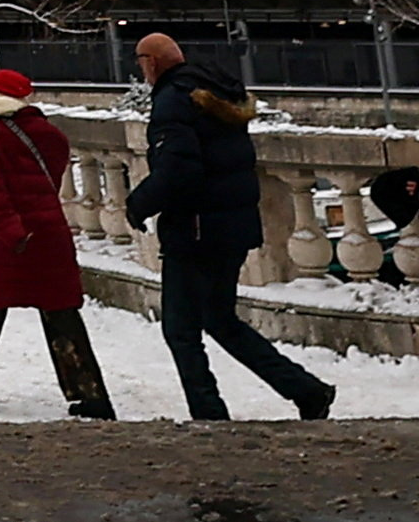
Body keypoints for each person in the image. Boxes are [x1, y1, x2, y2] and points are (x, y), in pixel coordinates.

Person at [128, 29, 334, 421]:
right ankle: (306, 390)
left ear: (151, 63)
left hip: (196, 229)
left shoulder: (173, 101)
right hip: (232, 226)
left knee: (181, 329)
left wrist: (139, 204)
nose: (141, 72)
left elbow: (178, 170)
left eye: (141, 63)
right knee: (220, 319)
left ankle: (208, 412)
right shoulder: (214, 92)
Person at [0, 69, 119, 418]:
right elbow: (50, 181)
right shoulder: (48, 133)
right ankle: (90, 394)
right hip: (48, 232)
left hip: (2, 238)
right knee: (61, 311)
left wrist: (11, 231)